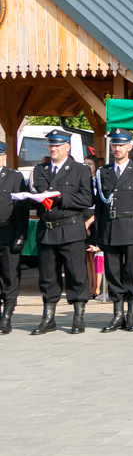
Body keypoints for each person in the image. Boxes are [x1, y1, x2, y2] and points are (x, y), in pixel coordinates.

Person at [29, 130, 94, 335]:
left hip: (70, 229)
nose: (53, 149)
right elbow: (33, 196)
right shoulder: (40, 169)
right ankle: (48, 317)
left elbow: (86, 199)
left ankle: (78, 316)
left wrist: (60, 198)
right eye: (50, 145)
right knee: (48, 276)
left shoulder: (79, 170)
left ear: (67, 147)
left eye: (57, 145)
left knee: (76, 274)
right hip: (47, 230)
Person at [95, 130, 133, 333]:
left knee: (132, 272)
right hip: (110, 229)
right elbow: (100, 206)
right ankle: (117, 314)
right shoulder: (103, 172)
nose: (117, 149)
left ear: (129, 147)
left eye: (121, 145)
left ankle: (132, 314)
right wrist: (98, 234)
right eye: (114, 145)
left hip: (130, 227)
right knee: (113, 272)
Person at [0, 142, 28, 334]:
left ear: (4, 157)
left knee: (10, 276)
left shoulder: (14, 177)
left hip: (7, 231)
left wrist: (20, 235)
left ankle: (7, 316)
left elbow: (22, 210)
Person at [83, 155, 102, 300]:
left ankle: (97, 288)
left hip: (96, 218)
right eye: (85, 164)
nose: (87, 166)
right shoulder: (83, 179)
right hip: (84, 216)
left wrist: (89, 222)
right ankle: (90, 287)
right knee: (88, 256)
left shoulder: (99, 180)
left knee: (98, 256)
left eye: (90, 163)